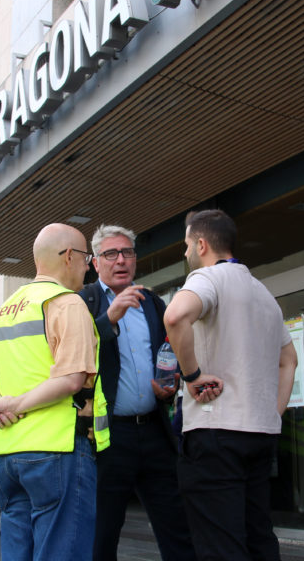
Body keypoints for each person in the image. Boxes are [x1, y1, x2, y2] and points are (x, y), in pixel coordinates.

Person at [164, 209, 298, 561]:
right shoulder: (263, 293)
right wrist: (273, 413)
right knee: (258, 539)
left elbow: (175, 316)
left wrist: (192, 376)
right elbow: (289, 360)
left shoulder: (207, 278)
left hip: (214, 432)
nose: (185, 253)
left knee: (220, 546)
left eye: (187, 245)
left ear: (202, 244)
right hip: (259, 433)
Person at [0, 223, 110, 561]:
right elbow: (71, 379)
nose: (88, 265)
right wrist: (13, 404)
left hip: (5, 454)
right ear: (68, 257)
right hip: (56, 449)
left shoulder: (5, 310)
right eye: (86, 257)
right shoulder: (67, 303)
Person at [79, 224, 194, 561]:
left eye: (127, 252)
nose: (121, 260)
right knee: (104, 532)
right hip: (108, 437)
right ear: (95, 262)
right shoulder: (84, 301)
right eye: (111, 254)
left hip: (155, 431)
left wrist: (168, 388)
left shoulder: (152, 302)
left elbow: (165, 355)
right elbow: (74, 358)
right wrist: (108, 318)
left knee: (176, 527)